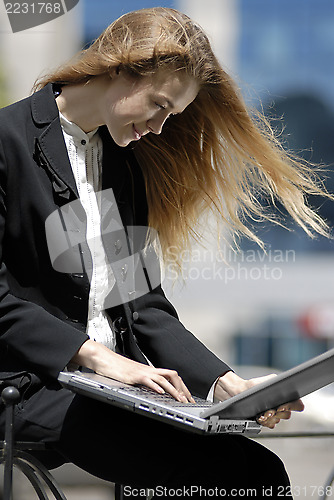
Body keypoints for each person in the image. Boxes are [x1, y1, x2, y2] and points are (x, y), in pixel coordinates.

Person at [0, 6, 329, 498]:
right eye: (158, 105)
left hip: (109, 393)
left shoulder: (116, 163)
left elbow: (143, 305)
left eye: (171, 116)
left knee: (259, 471)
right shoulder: (8, 142)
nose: (158, 127)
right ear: (118, 67)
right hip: (28, 384)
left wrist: (226, 385)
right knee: (225, 477)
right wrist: (97, 359)